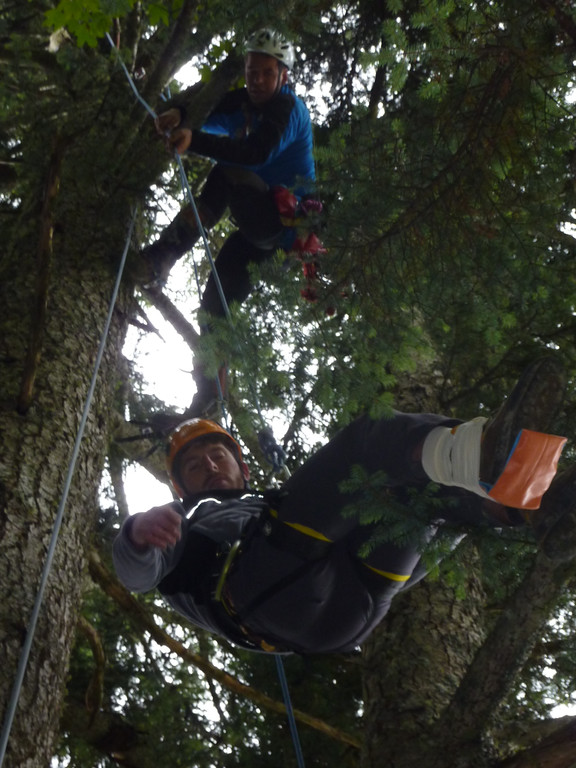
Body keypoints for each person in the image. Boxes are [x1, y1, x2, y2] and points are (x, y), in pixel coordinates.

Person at [113, 357, 572, 654]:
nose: (210, 466)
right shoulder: (185, 521)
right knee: (368, 445)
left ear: (243, 467)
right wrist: (137, 537)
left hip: (351, 608)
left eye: (218, 455)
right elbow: (137, 575)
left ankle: (529, 505)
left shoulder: (264, 506)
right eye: (194, 466)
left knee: (420, 500)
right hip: (269, 594)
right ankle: (487, 458)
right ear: (181, 488)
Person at [141, 28, 319, 416]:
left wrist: (193, 140)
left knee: (228, 172)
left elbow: (254, 153)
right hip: (256, 235)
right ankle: (209, 396)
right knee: (213, 309)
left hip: (280, 223)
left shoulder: (288, 111)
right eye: (251, 71)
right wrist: (181, 115)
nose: (256, 81)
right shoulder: (242, 103)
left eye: (267, 73)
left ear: (283, 76)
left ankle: (164, 254)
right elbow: (208, 111)